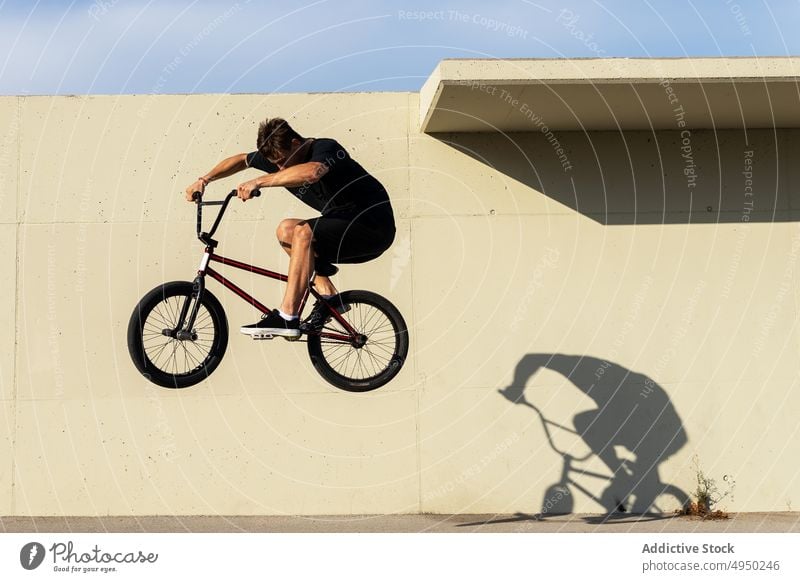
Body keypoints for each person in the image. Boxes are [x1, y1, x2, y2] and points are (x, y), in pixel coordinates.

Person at [184, 118, 396, 338]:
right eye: (275, 164)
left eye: (283, 162)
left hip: (373, 225)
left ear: (296, 143)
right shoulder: (278, 159)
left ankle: (288, 316)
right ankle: (329, 296)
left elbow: (312, 172)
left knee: (303, 231)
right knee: (286, 230)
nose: (280, 168)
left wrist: (260, 181)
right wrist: (204, 180)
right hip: (342, 224)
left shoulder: (326, 148)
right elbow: (241, 160)